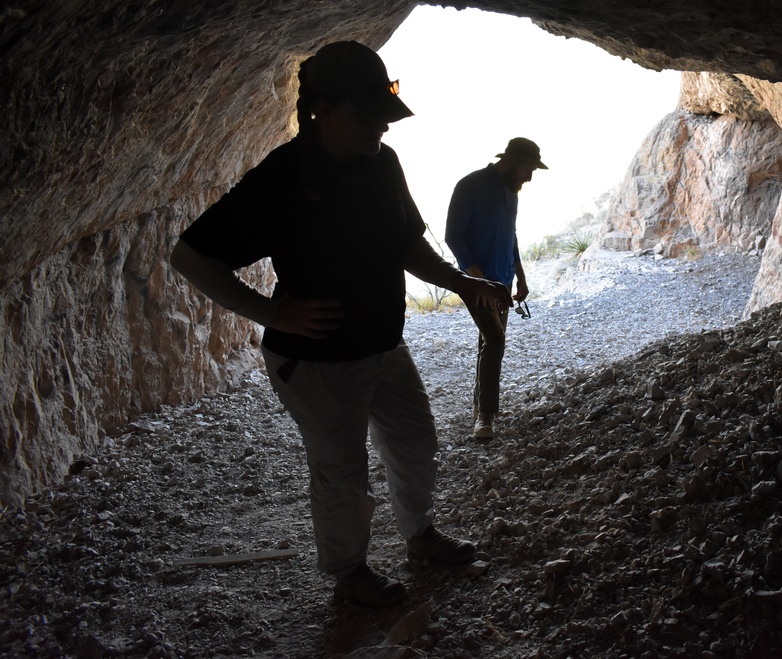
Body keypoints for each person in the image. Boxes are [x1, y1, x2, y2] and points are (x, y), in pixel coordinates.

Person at [169, 41, 512, 608]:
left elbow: (406, 242)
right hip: (317, 358)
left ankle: (419, 536)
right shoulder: (282, 178)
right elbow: (191, 256)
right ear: (322, 110)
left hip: (381, 341)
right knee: (341, 470)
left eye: (385, 113)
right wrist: (271, 312)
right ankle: (349, 574)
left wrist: (461, 283)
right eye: (368, 114)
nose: (382, 125)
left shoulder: (382, 165)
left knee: (414, 442)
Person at [445, 137, 547, 439]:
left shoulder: (511, 192)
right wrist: (477, 281)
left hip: (503, 283)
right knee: (495, 342)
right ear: (511, 162)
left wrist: (521, 277)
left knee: (488, 343)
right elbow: (453, 236)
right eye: (527, 169)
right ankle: (486, 417)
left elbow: (509, 236)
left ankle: (480, 407)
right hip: (478, 284)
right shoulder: (470, 186)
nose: (529, 177)